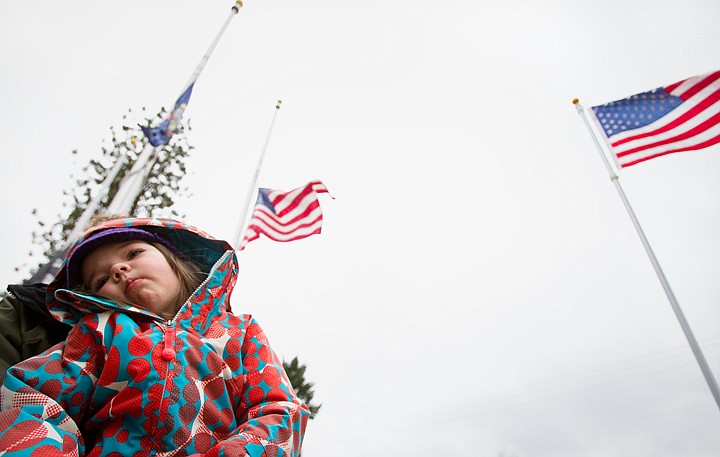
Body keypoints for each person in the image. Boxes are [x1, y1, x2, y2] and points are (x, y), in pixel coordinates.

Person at [0, 217, 310, 457]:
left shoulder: (239, 333)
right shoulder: (99, 333)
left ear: (175, 261)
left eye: (133, 253)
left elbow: (279, 410)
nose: (119, 269)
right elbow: (34, 399)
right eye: (102, 278)